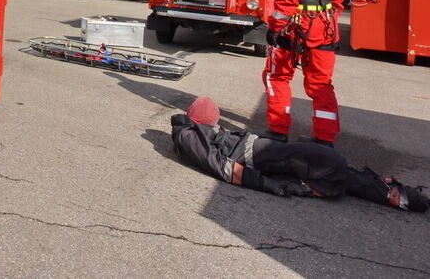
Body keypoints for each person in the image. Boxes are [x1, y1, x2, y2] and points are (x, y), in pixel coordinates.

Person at [171, 96, 428, 212]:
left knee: (329, 164)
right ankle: (395, 195)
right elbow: (223, 168)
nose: (215, 122)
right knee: (328, 163)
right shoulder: (189, 135)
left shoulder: (194, 132)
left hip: (257, 149)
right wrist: (269, 186)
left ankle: (393, 194)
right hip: (254, 155)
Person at [263, 0, 348, 146]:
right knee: (321, 83)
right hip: (325, 29)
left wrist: (275, 27)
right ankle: (324, 139)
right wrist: (326, 18)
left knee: (277, 75)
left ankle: (278, 131)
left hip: (294, 29)